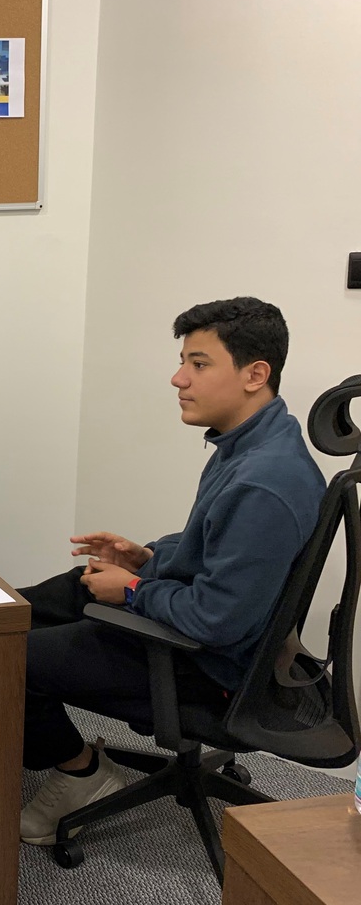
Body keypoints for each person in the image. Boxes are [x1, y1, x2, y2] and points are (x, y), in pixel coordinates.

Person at [17, 297, 326, 846]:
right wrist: (148, 558)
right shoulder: (250, 443)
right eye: (183, 361)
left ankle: (82, 773)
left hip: (206, 663)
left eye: (199, 364)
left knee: (7, 660)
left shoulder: (265, 481)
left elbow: (216, 620)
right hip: (195, 623)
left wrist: (134, 591)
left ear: (255, 374)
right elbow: (213, 546)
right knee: (10, 616)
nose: (178, 378)